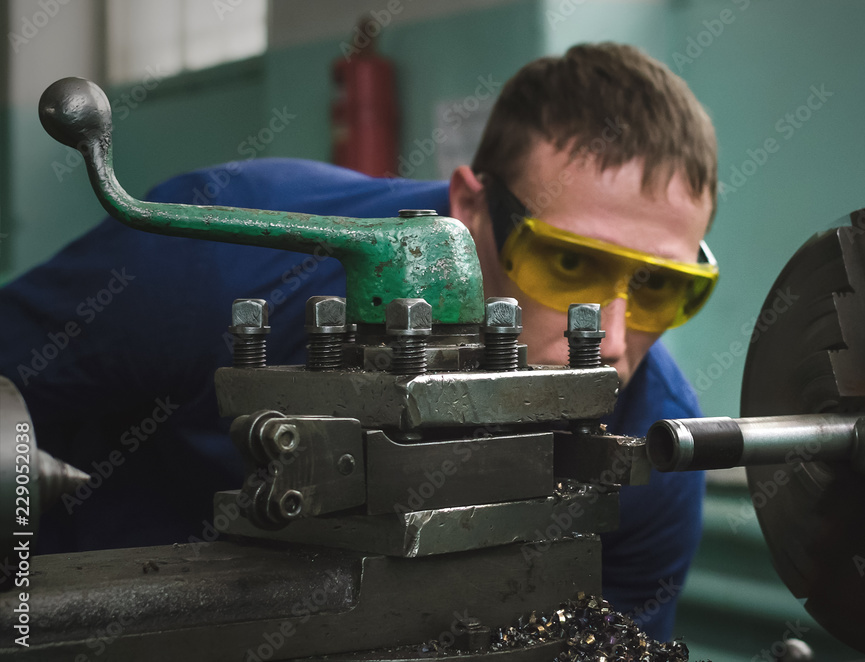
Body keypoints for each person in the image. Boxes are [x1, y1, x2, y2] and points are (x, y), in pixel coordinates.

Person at [0, 42, 717, 641]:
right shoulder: (213, 260)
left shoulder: (652, 449)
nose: (616, 341)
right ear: (470, 206)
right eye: (568, 264)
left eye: (659, 288)